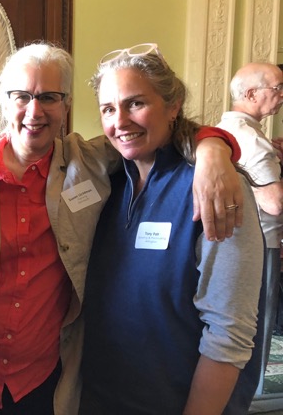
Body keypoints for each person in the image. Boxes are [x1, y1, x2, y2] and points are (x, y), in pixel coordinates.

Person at [0, 42, 244, 415]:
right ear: (3, 102)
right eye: (21, 96)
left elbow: (155, 134)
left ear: (66, 105)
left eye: (49, 97)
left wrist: (213, 147)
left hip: (49, 383)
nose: (34, 111)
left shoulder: (88, 162)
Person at [79, 44, 265, 414]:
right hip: (99, 398)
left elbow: (229, 332)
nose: (120, 121)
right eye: (108, 109)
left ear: (173, 104)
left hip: (181, 401)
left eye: (136, 103)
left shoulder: (214, 186)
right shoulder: (105, 181)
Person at [216, 62, 283, 392]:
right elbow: (274, 203)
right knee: (259, 322)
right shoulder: (253, 142)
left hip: (231, 238)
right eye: (277, 88)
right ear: (251, 93)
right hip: (262, 243)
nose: (282, 95)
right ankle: (252, 393)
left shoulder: (226, 130)